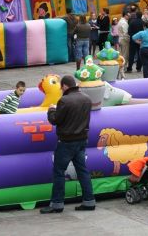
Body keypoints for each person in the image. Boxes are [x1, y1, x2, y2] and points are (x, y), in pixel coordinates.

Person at [41, 75, 95, 213]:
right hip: (82, 140)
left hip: (66, 142)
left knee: (59, 172)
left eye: (61, 87)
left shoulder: (64, 101)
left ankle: (57, 204)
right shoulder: (86, 99)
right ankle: (89, 201)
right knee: (83, 171)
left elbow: (55, 120)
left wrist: (51, 109)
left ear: (65, 86)